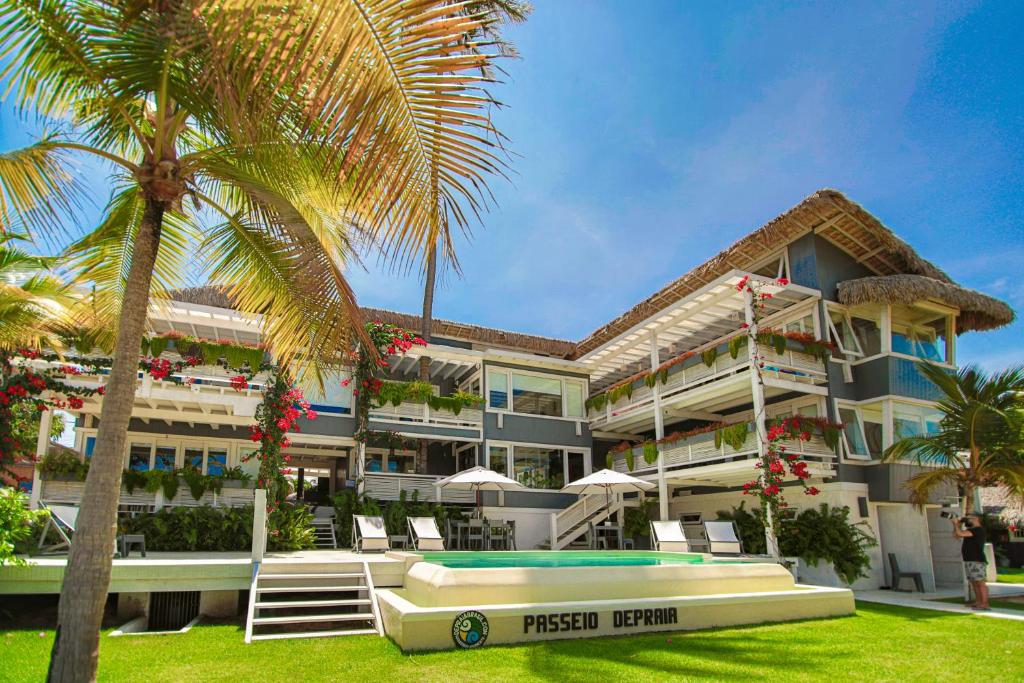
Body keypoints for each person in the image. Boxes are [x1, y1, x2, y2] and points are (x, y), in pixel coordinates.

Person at [952, 514, 989, 610]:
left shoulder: (978, 530)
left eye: (969, 518)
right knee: (973, 582)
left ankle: (985, 603)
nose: (967, 520)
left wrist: (956, 524)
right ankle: (978, 602)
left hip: (977, 560)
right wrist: (956, 525)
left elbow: (960, 534)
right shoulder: (971, 530)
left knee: (980, 582)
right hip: (969, 559)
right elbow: (956, 535)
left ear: (976, 519)